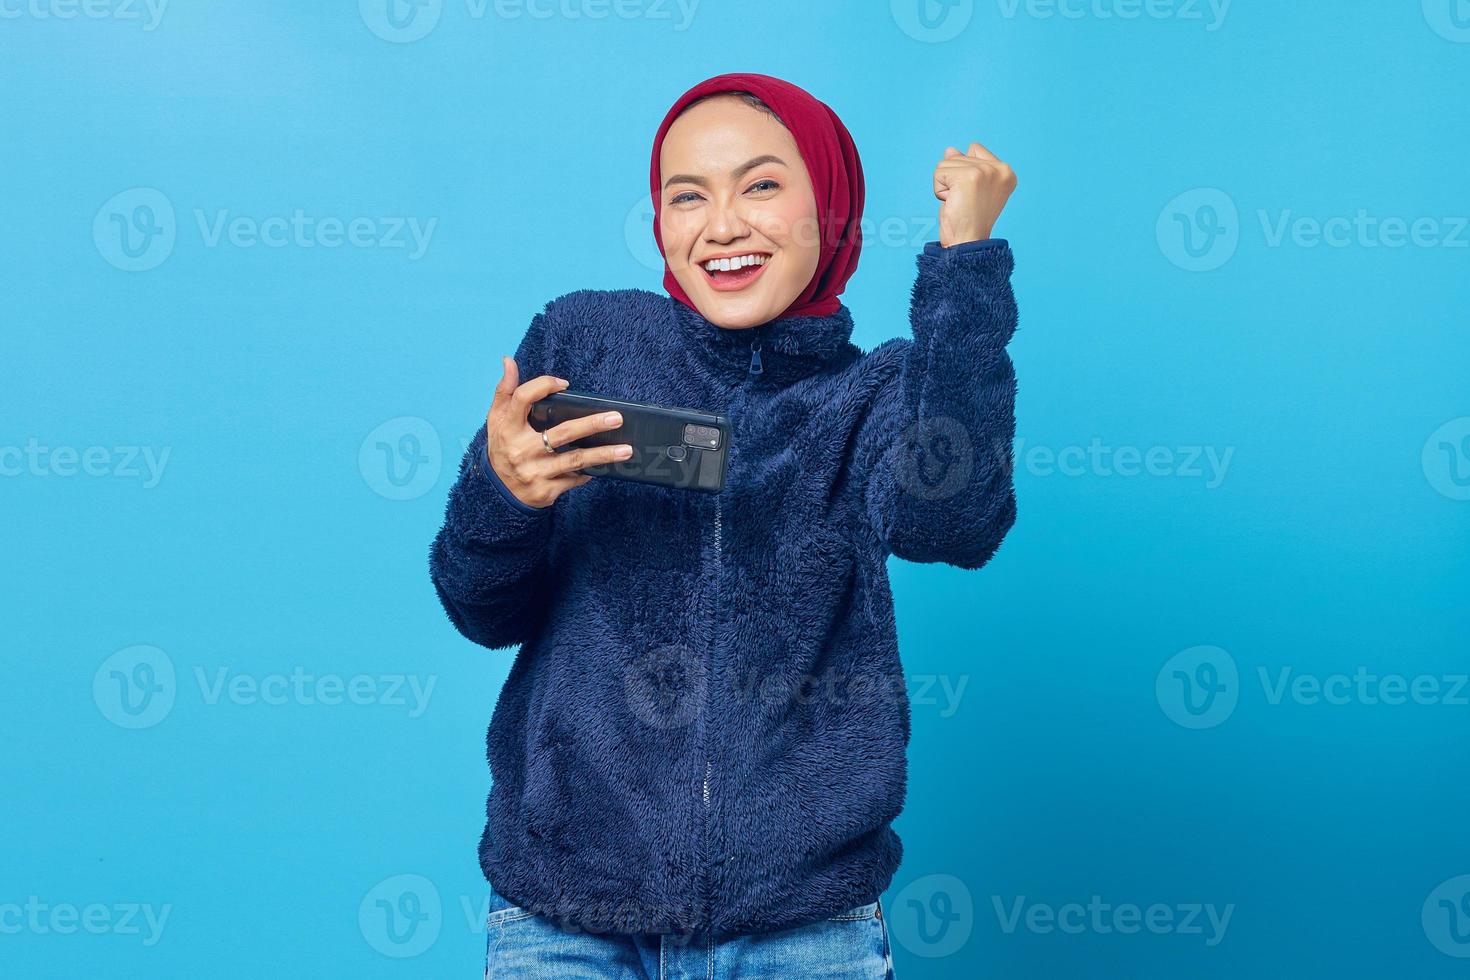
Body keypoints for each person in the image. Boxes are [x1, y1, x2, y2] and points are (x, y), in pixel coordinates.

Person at [429, 71, 1019, 978]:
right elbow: (482, 610)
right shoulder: (586, 342)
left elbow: (955, 521)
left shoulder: (873, 394)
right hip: (566, 918)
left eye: (763, 185)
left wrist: (965, 265)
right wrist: (503, 494)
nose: (723, 224)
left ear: (831, 204)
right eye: (687, 195)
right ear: (659, 221)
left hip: (802, 926)